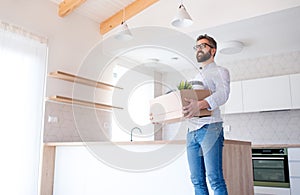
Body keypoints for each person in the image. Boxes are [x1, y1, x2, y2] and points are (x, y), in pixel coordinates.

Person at [183, 34, 230, 195]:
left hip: (210, 128)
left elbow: (223, 94)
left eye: (202, 46)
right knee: (197, 180)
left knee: (214, 178)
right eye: (196, 47)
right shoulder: (196, 77)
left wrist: (200, 104)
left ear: (213, 50)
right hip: (191, 132)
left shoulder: (221, 71)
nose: (198, 49)